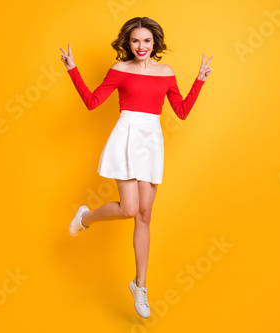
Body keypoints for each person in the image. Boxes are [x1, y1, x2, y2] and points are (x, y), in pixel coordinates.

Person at [60, 16, 212, 318]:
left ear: (154, 42)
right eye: (135, 41)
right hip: (127, 137)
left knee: (145, 215)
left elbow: (180, 111)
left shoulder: (166, 72)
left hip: (152, 140)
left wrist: (200, 81)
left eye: (146, 40)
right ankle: (86, 217)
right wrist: (72, 70)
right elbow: (92, 102)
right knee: (129, 209)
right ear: (127, 44)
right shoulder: (119, 70)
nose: (141, 46)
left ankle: (140, 287)